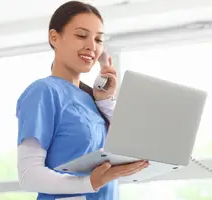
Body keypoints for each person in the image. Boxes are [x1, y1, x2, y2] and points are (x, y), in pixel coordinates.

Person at [16, 1, 149, 200]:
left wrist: (105, 101)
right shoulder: (43, 92)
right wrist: (90, 183)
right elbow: (29, 175)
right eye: (81, 36)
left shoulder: (93, 101)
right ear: (54, 37)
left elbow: (132, 144)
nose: (92, 47)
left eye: (98, 40)